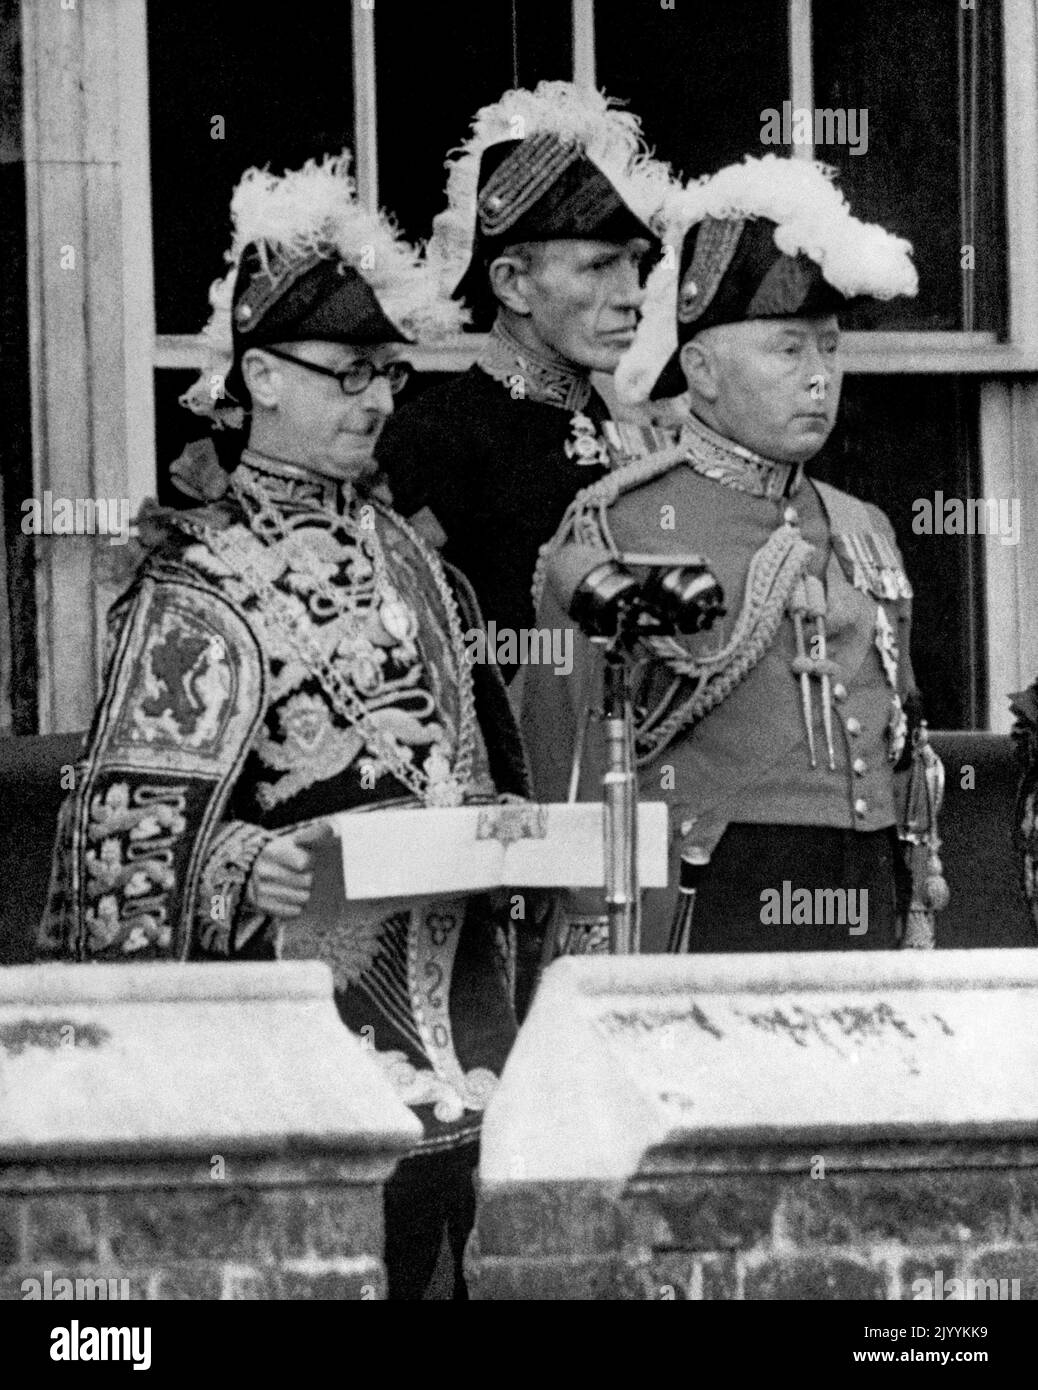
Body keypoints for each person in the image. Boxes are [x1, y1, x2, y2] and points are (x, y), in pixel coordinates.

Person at [38, 151, 537, 1299]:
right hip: (291, 1061)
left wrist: (508, 831)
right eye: (349, 373)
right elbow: (119, 845)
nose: (376, 399)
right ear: (261, 376)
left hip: (451, 1050)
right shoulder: (197, 579)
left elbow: (467, 759)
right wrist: (241, 862)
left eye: (388, 376)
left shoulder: (416, 559)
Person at [522, 154, 948, 956]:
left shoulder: (864, 527)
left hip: (867, 882)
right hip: (714, 892)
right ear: (703, 370)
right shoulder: (620, 523)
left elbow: (904, 737)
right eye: (789, 351)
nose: (820, 378)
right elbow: (562, 759)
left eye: (829, 348)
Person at [375, 82, 673, 679]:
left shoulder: (637, 431)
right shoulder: (429, 439)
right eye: (599, 266)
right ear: (512, 284)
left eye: (636, 262)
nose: (632, 293)